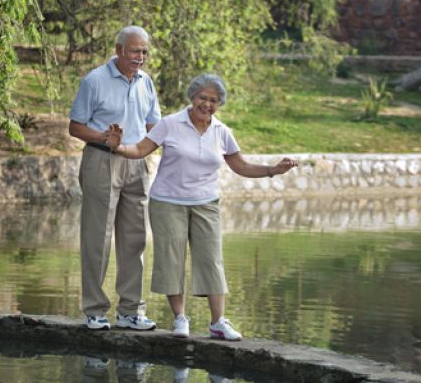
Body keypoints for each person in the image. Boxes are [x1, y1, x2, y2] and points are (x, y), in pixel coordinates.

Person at [106, 73, 298, 341]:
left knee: (211, 260)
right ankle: (180, 318)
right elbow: (140, 149)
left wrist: (272, 170)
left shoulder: (222, 131)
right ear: (192, 98)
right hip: (167, 202)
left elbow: (240, 165)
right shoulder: (170, 123)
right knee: (172, 260)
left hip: (206, 203)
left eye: (214, 100)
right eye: (203, 98)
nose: (207, 104)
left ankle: (218, 322)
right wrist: (118, 148)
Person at [69, 25, 161, 331]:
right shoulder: (95, 80)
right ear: (119, 49)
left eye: (145, 52)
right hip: (101, 160)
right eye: (135, 51)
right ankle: (95, 310)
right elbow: (75, 127)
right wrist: (104, 137)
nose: (141, 57)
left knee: (135, 239)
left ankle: (131, 311)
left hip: (137, 163)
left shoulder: (146, 82)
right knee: (97, 238)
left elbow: (154, 127)